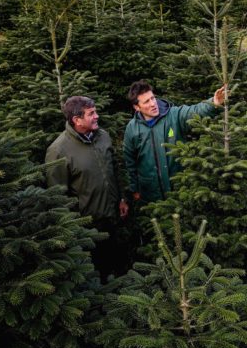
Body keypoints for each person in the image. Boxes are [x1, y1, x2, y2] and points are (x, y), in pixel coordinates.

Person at [45, 96, 129, 282]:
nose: (97, 116)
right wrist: (74, 226)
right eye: (91, 114)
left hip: (113, 215)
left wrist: (122, 198)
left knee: (116, 259)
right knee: (97, 269)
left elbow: (115, 169)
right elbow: (58, 197)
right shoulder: (58, 151)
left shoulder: (103, 136)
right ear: (77, 120)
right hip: (88, 225)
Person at [123, 80, 226, 204]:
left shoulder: (173, 115)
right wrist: (134, 189)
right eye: (146, 101)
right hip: (151, 195)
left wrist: (213, 103)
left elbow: (193, 111)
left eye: (153, 98)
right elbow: (130, 162)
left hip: (180, 190)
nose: (152, 103)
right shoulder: (132, 128)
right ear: (137, 107)